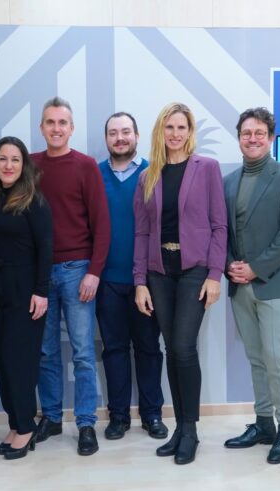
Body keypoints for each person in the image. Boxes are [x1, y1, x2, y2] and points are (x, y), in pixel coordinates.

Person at [133, 102, 227, 465]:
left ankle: (191, 430)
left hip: (194, 270)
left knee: (185, 348)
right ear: (161, 132)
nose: (175, 134)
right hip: (159, 271)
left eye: (181, 127)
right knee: (172, 348)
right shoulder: (148, 176)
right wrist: (140, 281)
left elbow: (219, 226)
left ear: (190, 132)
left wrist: (214, 275)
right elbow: (142, 232)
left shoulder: (207, 169)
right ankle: (179, 428)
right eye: (169, 127)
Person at [222, 107, 280, 465]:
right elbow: (221, 230)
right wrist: (230, 265)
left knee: (276, 358)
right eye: (246, 133)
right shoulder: (228, 181)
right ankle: (263, 424)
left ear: (270, 138)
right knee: (256, 357)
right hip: (238, 284)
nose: (253, 139)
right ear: (239, 138)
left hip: (273, 283)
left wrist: (256, 269)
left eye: (259, 133)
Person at [31, 97, 111, 456]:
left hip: (77, 269)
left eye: (63, 122)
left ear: (72, 128)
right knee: (46, 352)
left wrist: (94, 272)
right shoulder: (29, 166)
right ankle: (49, 416)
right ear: (42, 127)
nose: (56, 128)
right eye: (50, 122)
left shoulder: (86, 166)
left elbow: (102, 225)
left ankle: (85, 423)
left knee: (81, 353)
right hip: (39, 273)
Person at [0, 136, 53, 460]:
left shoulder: (34, 201)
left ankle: (26, 427)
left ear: (24, 166)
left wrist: (42, 291)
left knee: (20, 361)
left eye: (15, 160)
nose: (8, 165)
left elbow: (46, 250)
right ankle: (15, 422)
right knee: (2, 360)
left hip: (26, 289)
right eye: (3, 159)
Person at [96, 113, 167, 441]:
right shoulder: (94, 174)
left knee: (149, 348)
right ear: (107, 138)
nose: (120, 138)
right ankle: (119, 416)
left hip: (147, 281)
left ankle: (153, 414)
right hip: (107, 279)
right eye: (113, 133)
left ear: (137, 135)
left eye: (126, 132)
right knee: (113, 349)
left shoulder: (155, 173)